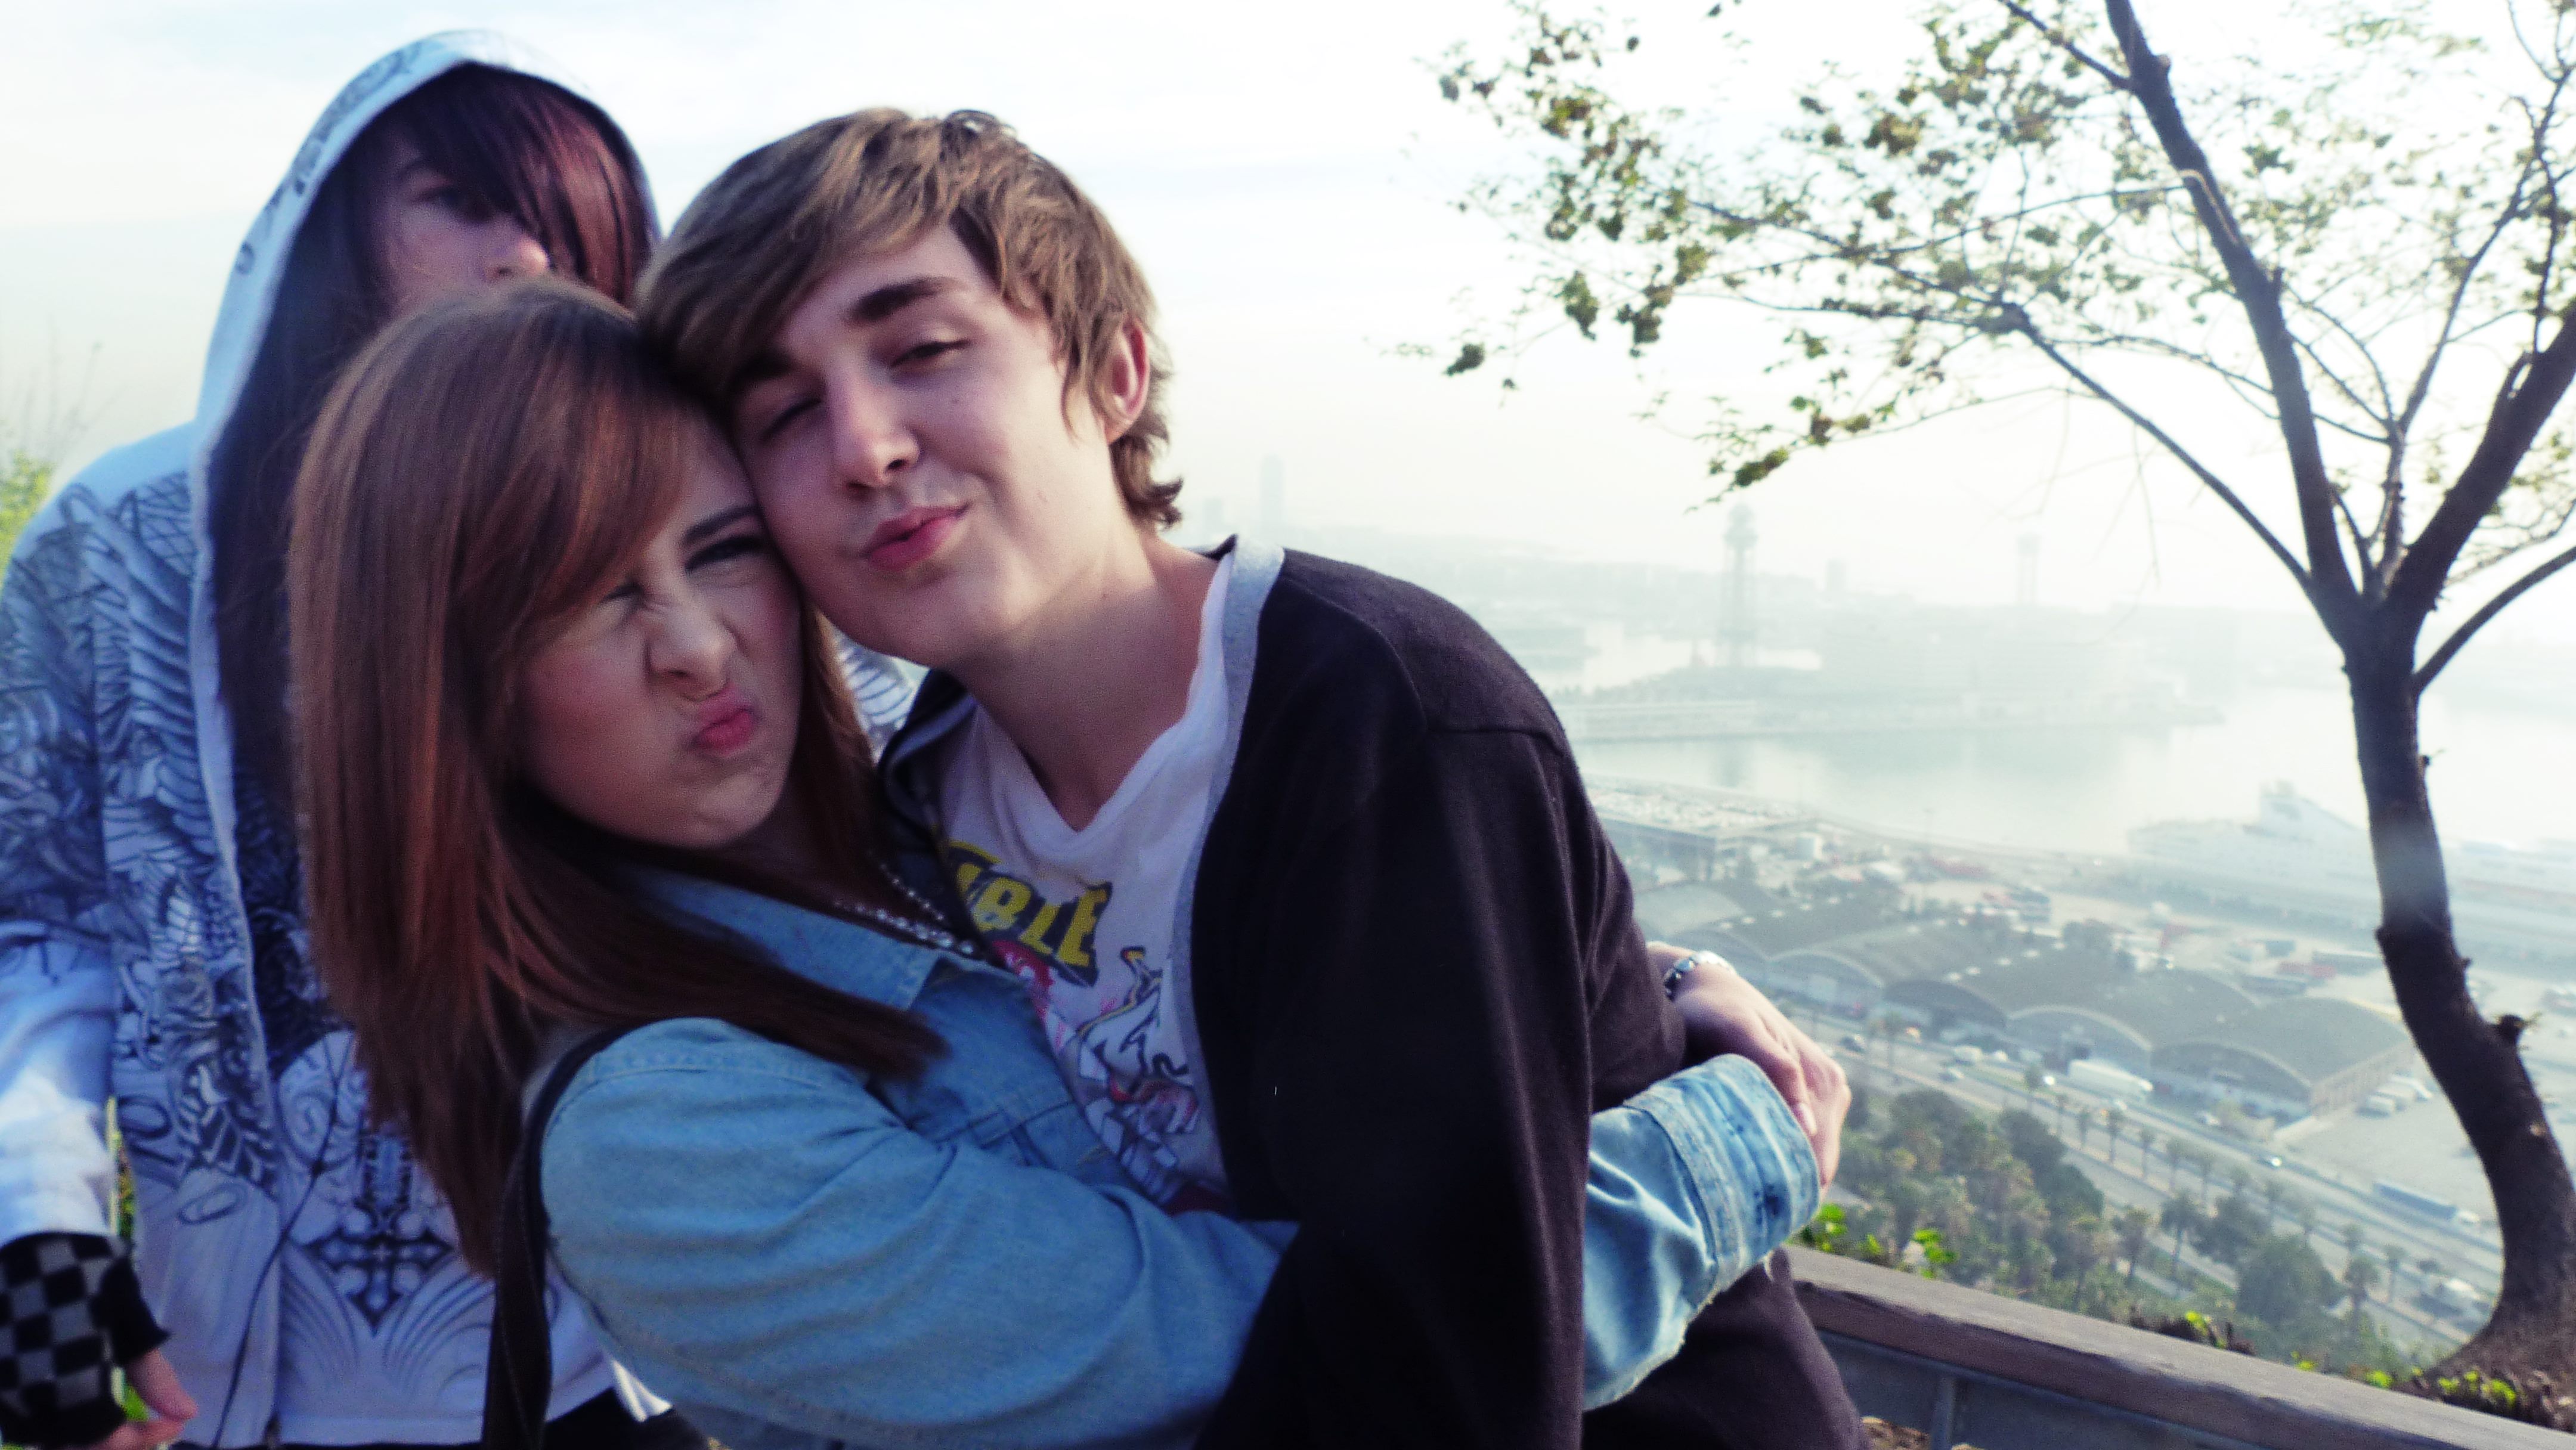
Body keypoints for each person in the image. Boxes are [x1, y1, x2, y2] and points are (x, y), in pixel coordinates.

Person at [282, 277, 1823, 1449]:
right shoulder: (654, 1137)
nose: (695, 647)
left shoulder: (937, 825)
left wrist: (1616, 977)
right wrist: (1738, 1134)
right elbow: (1367, 1349)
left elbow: (1224, 983)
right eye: (582, 599)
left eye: (722, 549)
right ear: (446, 701)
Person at [639, 109, 1865, 1448]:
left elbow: (1449, 1390)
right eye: (784, 410)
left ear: (1113, 373)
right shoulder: (932, 787)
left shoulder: (1369, 720)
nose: (863, 445)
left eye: (924, 350)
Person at [0, 33, 689, 1450]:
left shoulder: (697, 538)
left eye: (569, 223)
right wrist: (36, 1214)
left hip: (612, 1357)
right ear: (338, 231)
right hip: (234, 1379)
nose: (523, 258)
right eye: (460, 200)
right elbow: (40, 917)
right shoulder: (120, 544)